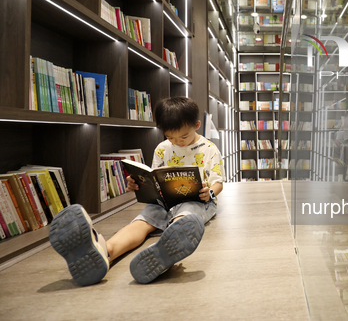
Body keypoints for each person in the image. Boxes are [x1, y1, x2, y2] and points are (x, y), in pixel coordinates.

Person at [48, 97, 225, 286]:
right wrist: (138, 183)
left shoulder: (209, 149)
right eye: (170, 137)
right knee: (141, 222)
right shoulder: (162, 149)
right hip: (164, 202)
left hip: (197, 200)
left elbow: (218, 183)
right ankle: (105, 252)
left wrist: (210, 193)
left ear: (197, 125)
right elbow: (155, 177)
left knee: (186, 215)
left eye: (184, 136)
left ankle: (170, 244)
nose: (178, 142)